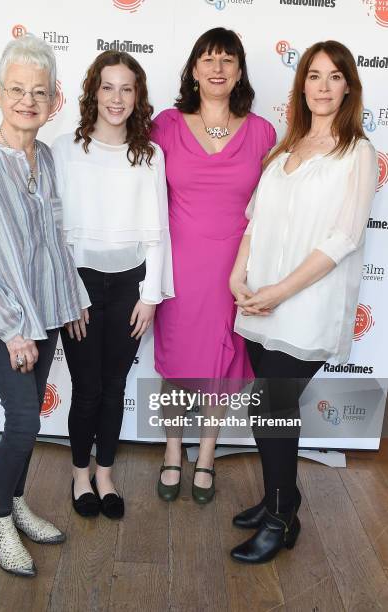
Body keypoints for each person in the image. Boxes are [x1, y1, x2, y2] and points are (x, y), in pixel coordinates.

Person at [0, 34, 90, 577]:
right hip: (5, 318)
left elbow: (54, 239)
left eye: (38, 92)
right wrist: (11, 329)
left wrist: (72, 298)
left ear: (54, 101)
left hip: (46, 310)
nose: (27, 101)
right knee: (25, 421)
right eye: (16, 90)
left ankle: (19, 501)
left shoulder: (46, 157)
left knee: (26, 421)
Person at [229, 40, 378, 563]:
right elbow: (255, 220)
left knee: (270, 404)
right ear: (302, 85)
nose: (322, 85)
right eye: (314, 75)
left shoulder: (358, 153)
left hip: (306, 302)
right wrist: (237, 276)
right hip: (260, 299)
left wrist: (279, 292)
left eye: (334, 76)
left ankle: (280, 517)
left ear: (348, 87)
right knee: (271, 408)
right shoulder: (284, 150)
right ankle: (281, 497)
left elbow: (343, 238)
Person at [152, 27, 275, 504]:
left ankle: (206, 452)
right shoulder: (164, 125)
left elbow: (273, 208)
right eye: (208, 58)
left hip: (235, 268)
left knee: (222, 360)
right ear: (194, 70)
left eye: (227, 59)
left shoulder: (263, 131)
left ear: (239, 70)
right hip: (178, 266)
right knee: (177, 360)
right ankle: (172, 447)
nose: (218, 67)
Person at [52, 51, 173, 520]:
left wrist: (151, 296)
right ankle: (80, 472)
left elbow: (157, 229)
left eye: (126, 88)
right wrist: (69, 293)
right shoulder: (65, 149)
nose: (116, 98)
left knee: (114, 383)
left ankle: (105, 473)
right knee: (86, 387)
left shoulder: (150, 154)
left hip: (130, 286)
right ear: (93, 92)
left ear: (137, 95)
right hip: (78, 283)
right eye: (108, 87)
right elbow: (56, 231)